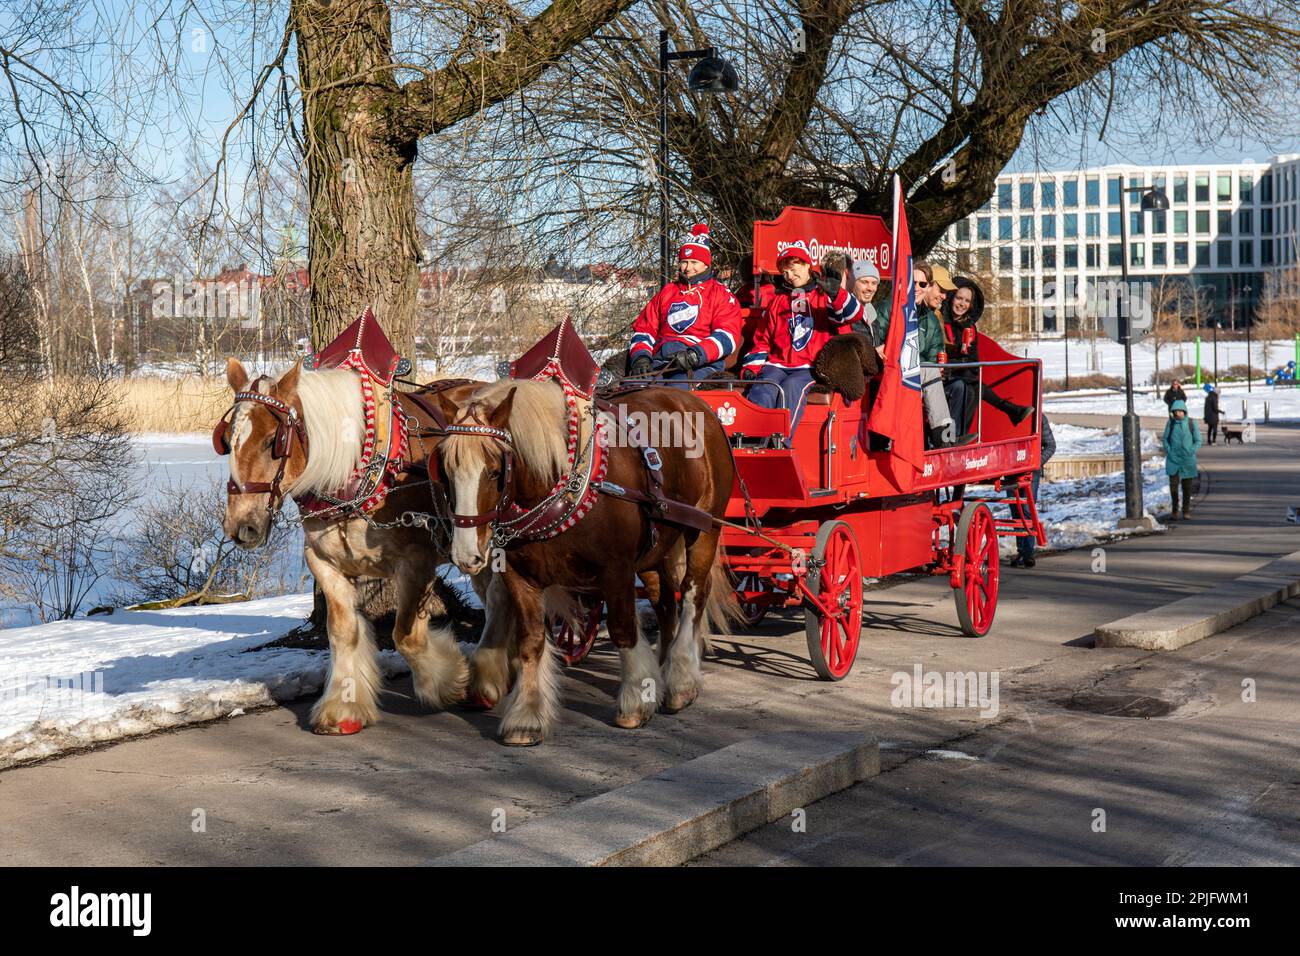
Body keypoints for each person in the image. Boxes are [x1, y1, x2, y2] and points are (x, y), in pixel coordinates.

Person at [740, 239, 861, 436]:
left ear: (807, 266)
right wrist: (752, 368)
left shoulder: (823, 295)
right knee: (764, 388)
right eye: (785, 272)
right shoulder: (778, 301)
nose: (790, 275)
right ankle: (751, 439)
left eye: (795, 269)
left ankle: (779, 442)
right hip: (777, 365)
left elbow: (851, 315)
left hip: (810, 367)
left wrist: (837, 294)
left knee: (792, 387)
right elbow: (762, 339)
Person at [628, 223, 743, 381]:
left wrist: (696, 354)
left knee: (674, 396)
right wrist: (641, 357)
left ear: (706, 264)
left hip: (700, 364)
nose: (688, 268)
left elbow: (727, 336)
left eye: (694, 262)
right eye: (684, 262)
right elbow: (644, 330)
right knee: (632, 393)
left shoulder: (721, 294)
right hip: (661, 362)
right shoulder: (667, 292)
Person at [940, 275, 1033, 438]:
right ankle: (1009, 410)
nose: (962, 304)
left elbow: (974, 361)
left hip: (962, 374)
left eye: (967, 301)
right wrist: (961, 361)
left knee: (973, 387)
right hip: (943, 374)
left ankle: (957, 435)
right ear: (951, 298)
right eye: (959, 298)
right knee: (970, 386)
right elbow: (941, 353)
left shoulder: (969, 326)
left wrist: (963, 362)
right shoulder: (940, 319)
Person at [877, 261, 953, 447]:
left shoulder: (931, 321)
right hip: (889, 372)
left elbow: (934, 355)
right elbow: (876, 340)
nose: (917, 288)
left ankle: (944, 439)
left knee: (935, 373)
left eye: (922, 284)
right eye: (914, 283)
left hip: (916, 375)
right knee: (928, 371)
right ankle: (944, 439)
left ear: (928, 288)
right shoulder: (889, 309)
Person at [1008, 414, 1056, 568]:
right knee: (1016, 510)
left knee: (1027, 509)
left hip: (1030, 471)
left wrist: (1036, 463)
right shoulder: (1009, 416)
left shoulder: (1039, 418)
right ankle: (1022, 550)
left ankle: (1028, 553)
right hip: (1010, 469)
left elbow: (1050, 445)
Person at [1162, 398, 1202, 521]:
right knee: (1173, 487)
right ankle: (1174, 511)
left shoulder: (1191, 423)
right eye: (1175, 411)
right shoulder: (1171, 423)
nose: (1178, 413)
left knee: (1187, 488)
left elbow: (1198, 440)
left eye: (1180, 411)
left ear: (1184, 411)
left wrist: (1191, 450)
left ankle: (1186, 511)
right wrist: (1169, 451)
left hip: (1187, 459)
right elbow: (1165, 439)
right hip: (1173, 460)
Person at [848, 259, 882, 344]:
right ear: (853, 283)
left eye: (874, 283)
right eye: (864, 282)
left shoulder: (872, 315)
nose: (870, 288)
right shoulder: (845, 313)